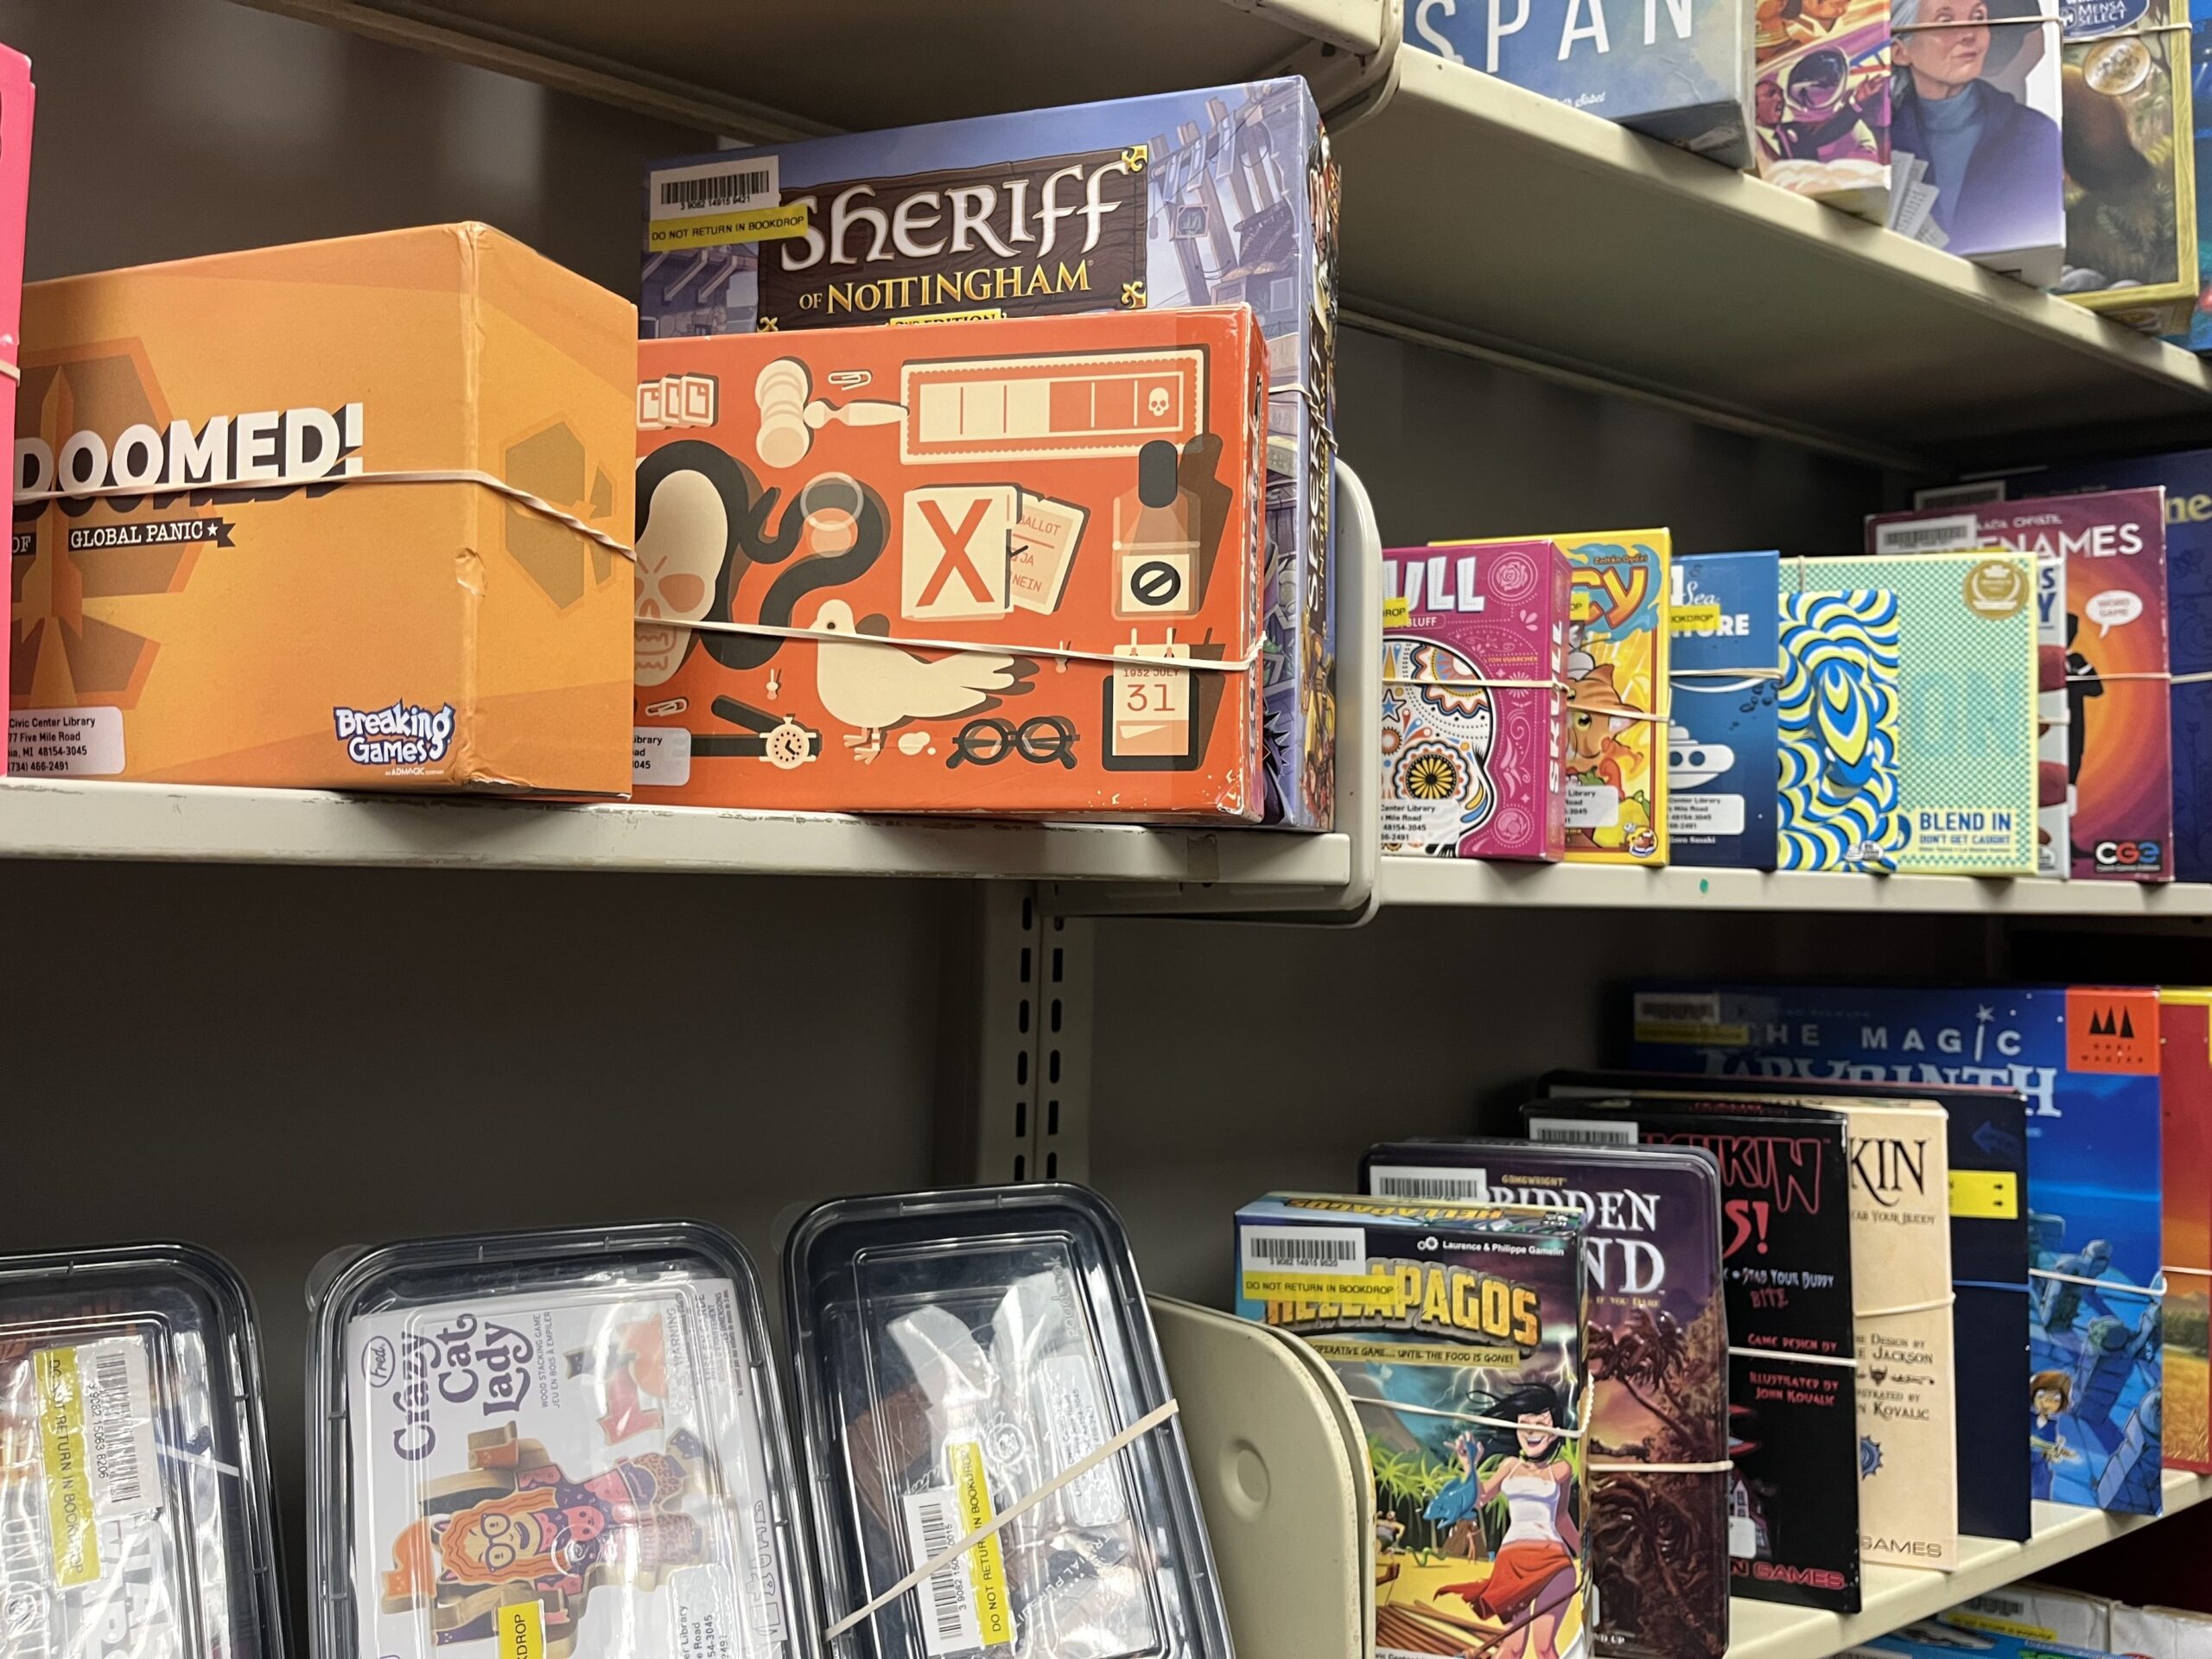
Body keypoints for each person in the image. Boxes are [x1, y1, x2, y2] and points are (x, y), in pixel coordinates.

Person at [1891, 0, 2063, 251]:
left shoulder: (2035, 137)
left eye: (1978, 16)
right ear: (1899, 51)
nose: (1969, 33)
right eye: (1945, 21)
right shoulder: (1873, 140)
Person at [1440, 1384, 1582, 1659]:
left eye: (1541, 1424)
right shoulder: (1509, 1466)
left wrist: (1586, 1557)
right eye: (1524, 1424)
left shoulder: (1561, 1470)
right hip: (1511, 1564)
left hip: (1552, 1561)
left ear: (1555, 1431)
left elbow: (1562, 1516)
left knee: (1544, 1646)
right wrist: (1470, 1466)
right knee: (1512, 1648)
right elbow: (1480, 1499)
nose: (1531, 1432)